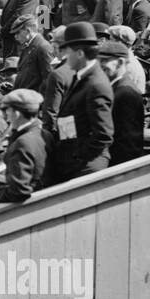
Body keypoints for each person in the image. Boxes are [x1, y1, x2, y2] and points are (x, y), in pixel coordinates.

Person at [44, 21, 113, 185]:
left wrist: (78, 155)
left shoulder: (96, 84)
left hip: (86, 167)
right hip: (73, 160)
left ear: (80, 53)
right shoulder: (81, 76)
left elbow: (103, 135)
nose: (65, 55)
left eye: (67, 50)